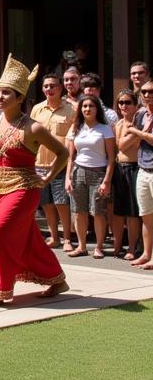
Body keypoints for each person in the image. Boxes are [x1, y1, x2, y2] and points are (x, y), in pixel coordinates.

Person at [0, 54, 69, 306]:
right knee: (27, 239)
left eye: (7, 93)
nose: (0, 97)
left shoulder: (33, 127)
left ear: (20, 98)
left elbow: (63, 153)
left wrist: (48, 177)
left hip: (24, 188)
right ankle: (55, 278)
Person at [65, 95, 116, 258]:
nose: (87, 109)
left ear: (97, 109)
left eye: (90, 106)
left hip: (99, 173)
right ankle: (81, 246)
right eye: (84, 106)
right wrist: (68, 178)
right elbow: (71, 156)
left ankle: (99, 247)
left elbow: (111, 157)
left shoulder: (105, 128)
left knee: (98, 212)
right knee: (78, 211)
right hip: (78, 171)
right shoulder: (76, 128)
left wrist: (107, 180)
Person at [31, 74, 76, 250]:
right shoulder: (37, 109)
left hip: (60, 165)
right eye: (46, 86)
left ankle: (67, 239)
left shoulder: (70, 110)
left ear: (60, 88)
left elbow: (73, 138)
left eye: (53, 86)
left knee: (61, 203)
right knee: (46, 203)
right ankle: (54, 236)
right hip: (39, 164)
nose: (49, 89)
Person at [112, 90, 142, 259]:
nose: (124, 106)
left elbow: (123, 145)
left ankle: (132, 248)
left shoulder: (140, 123)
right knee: (118, 211)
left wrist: (133, 133)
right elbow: (119, 147)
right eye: (121, 103)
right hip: (119, 168)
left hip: (135, 167)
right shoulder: (118, 124)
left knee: (132, 212)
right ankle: (117, 247)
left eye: (128, 102)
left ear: (135, 105)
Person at [126, 80, 153, 269]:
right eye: (143, 92)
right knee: (146, 216)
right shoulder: (142, 113)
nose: (147, 95)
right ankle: (146, 254)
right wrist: (139, 132)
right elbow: (125, 142)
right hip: (143, 169)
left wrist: (136, 131)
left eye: (151, 91)